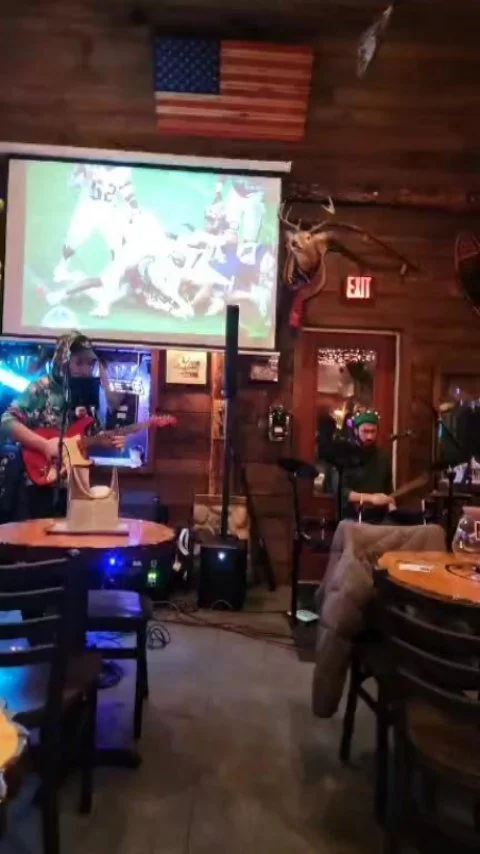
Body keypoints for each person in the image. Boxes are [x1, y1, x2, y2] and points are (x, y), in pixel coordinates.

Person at [0, 331, 125, 519]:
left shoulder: (86, 393)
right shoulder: (40, 389)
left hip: (75, 486)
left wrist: (106, 441)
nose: (85, 369)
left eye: (89, 364)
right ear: (62, 362)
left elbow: (92, 434)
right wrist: (44, 445)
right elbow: (7, 422)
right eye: (79, 363)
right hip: (37, 483)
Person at [341, 409, 394, 523]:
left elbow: (388, 490)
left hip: (379, 518)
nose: (369, 436)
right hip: (352, 518)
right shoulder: (345, 455)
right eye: (365, 431)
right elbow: (342, 491)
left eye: (373, 431)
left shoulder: (383, 456)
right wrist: (371, 498)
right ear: (356, 431)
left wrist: (391, 505)